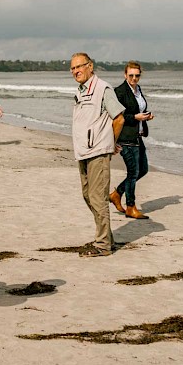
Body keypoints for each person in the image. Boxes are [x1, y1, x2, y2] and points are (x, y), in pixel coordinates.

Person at [70, 53, 124, 257]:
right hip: (83, 152)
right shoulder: (81, 90)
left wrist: (111, 143)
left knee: (98, 197)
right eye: (73, 68)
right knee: (88, 195)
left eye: (79, 67)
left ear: (90, 66)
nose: (76, 71)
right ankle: (106, 237)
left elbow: (119, 118)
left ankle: (102, 245)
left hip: (98, 151)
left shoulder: (103, 89)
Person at [110, 61, 154, 219]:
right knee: (133, 172)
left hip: (138, 135)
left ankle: (117, 193)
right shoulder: (119, 92)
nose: (134, 78)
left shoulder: (138, 89)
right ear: (125, 75)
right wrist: (136, 117)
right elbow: (117, 116)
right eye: (131, 75)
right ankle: (130, 206)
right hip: (126, 137)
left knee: (143, 170)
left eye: (137, 75)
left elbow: (137, 109)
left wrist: (146, 116)